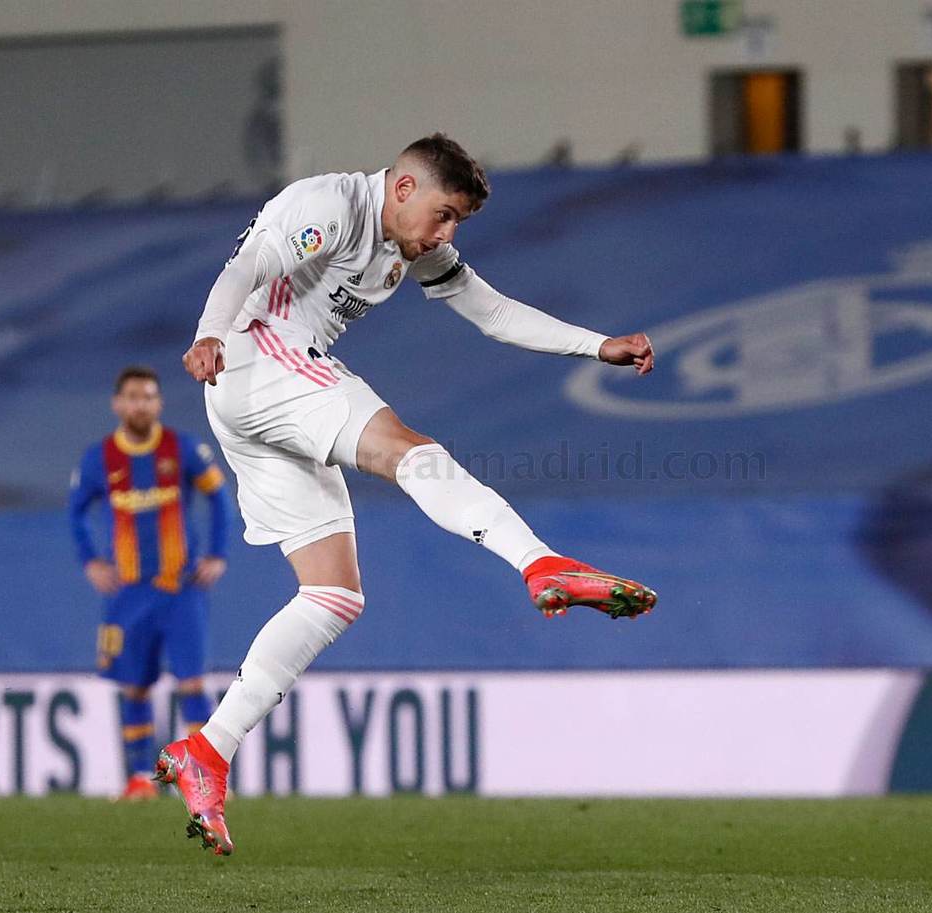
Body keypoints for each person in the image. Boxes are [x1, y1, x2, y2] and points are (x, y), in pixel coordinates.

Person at [155, 134, 658, 855]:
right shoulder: (330, 204)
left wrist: (596, 344)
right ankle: (540, 563)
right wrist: (209, 333)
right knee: (408, 449)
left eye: (458, 223)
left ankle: (207, 748)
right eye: (444, 215)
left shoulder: (414, 245)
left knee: (331, 596)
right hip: (255, 354)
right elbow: (250, 266)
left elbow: (493, 312)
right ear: (402, 189)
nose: (447, 235)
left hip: (252, 393)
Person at [69, 365, 230, 800]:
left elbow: (219, 498)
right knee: (135, 685)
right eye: (133, 397)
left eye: (148, 397)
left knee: (192, 683)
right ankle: (142, 778)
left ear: (158, 404)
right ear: (118, 404)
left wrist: (217, 553)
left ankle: (203, 778)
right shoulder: (98, 459)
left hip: (181, 590)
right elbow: (76, 511)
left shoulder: (183, 449)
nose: (140, 405)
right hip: (128, 593)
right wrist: (91, 562)